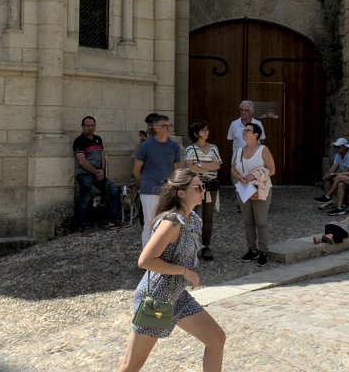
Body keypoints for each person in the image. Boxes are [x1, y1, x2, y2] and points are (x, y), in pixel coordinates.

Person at [115, 168, 226, 372]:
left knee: (216, 339)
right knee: (131, 365)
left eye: (203, 186)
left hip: (177, 296)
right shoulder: (171, 223)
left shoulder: (193, 219)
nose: (203, 191)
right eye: (197, 187)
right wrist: (185, 272)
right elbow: (145, 260)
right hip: (156, 298)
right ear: (181, 193)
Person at [134, 114, 183, 247]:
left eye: (170, 126)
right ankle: (147, 257)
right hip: (149, 190)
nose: (168, 128)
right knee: (149, 223)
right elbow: (136, 170)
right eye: (164, 126)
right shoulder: (145, 146)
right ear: (155, 127)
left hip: (167, 191)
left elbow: (176, 171)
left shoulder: (174, 147)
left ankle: (163, 254)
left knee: (166, 224)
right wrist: (143, 185)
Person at [75, 115, 128, 236]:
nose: (90, 127)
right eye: (87, 125)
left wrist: (102, 170)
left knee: (113, 190)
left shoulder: (98, 139)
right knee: (86, 197)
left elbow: (103, 156)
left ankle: (114, 221)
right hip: (85, 174)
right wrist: (96, 171)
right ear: (82, 127)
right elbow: (82, 161)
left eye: (92, 125)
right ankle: (84, 227)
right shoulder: (79, 141)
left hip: (99, 173)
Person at [232, 121, 275, 264]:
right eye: (244, 130)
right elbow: (233, 169)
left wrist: (254, 176)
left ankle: (264, 251)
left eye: (247, 130)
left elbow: (272, 170)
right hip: (244, 189)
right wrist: (240, 177)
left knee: (261, 222)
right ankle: (252, 249)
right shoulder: (239, 151)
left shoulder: (263, 149)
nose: (244, 132)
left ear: (256, 134)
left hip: (260, 189)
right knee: (248, 222)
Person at [184, 120, 223, 261]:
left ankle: (206, 246)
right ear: (196, 134)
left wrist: (199, 165)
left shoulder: (213, 148)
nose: (206, 132)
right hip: (195, 187)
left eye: (207, 129)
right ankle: (192, 246)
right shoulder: (190, 149)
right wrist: (208, 165)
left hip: (211, 186)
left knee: (208, 218)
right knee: (192, 215)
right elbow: (190, 167)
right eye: (203, 130)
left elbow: (217, 166)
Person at [322, 139, 349, 215]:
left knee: (339, 177)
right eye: (348, 148)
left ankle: (328, 196)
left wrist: (338, 174)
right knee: (341, 184)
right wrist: (333, 174)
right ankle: (340, 208)